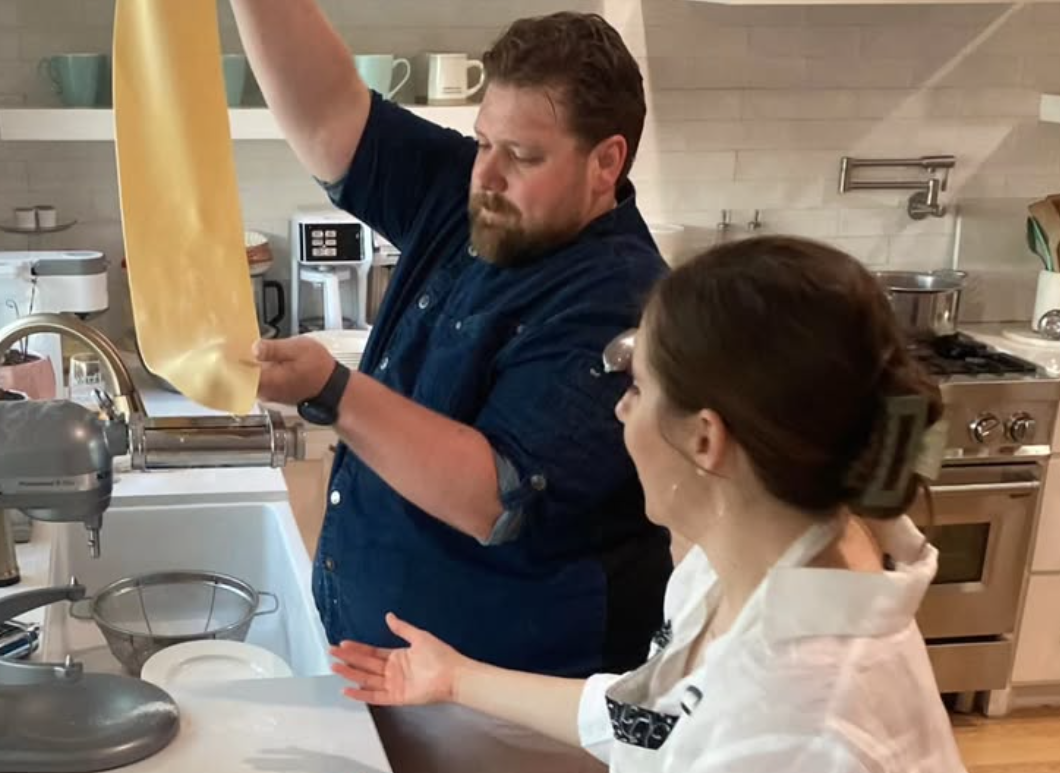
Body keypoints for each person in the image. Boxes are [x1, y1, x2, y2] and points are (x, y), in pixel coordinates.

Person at [329, 235, 969, 772]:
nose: (620, 410)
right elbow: (654, 720)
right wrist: (456, 678)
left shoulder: (791, 729)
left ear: (705, 437)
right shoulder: (764, 567)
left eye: (637, 388)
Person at [233, 6, 673, 677]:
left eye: (522, 154)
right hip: (396, 675)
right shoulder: (480, 190)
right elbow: (329, 115)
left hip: (507, 709)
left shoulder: (621, 301)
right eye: (482, 140)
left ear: (605, 161)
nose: (485, 175)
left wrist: (331, 391)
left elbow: (493, 495)